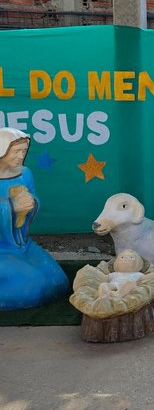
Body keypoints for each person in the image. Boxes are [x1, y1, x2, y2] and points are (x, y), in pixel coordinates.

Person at [0, 127, 70, 310]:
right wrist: (11, 207)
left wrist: (32, 204)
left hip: (21, 244)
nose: (21, 156)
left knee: (56, 279)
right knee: (34, 284)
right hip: (2, 250)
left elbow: (33, 197)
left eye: (23, 151)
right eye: (15, 151)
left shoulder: (24, 174)